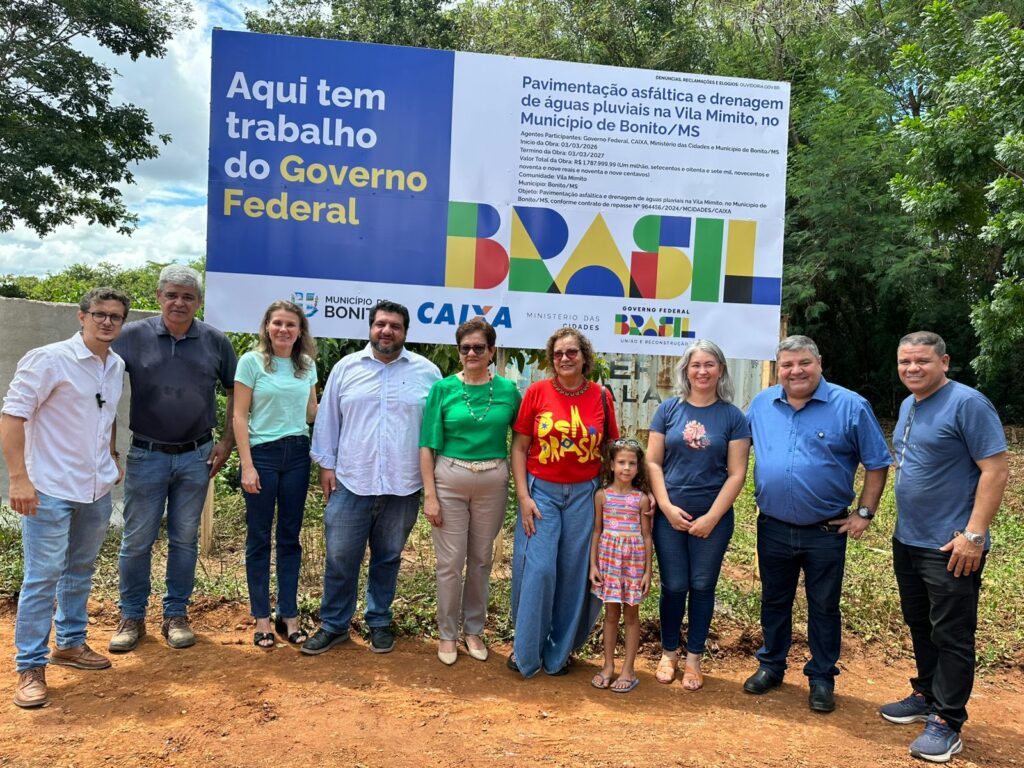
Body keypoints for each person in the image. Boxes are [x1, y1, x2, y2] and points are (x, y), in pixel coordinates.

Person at [879, 331, 1009, 763]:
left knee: (952, 632)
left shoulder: (968, 404)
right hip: (909, 538)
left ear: (945, 362)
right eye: (905, 362)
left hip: (952, 545)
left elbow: (995, 469)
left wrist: (974, 535)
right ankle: (927, 694)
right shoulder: (909, 404)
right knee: (921, 622)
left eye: (922, 362)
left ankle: (948, 721)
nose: (912, 369)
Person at [743, 335, 891, 713]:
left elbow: (877, 463)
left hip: (826, 530)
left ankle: (822, 677)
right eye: (787, 365)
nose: (796, 371)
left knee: (823, 606)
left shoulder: (851, 406)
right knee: (774, 601)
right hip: (773, 526)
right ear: (778, 369)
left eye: (803, 363)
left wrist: (864, 513)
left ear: (819, 363)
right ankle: (771, 666)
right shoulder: (761, 405)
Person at [2, 288, 129, 708]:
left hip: (94, 489)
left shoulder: (116, 365)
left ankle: (71, 643)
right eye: (99, 314)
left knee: (80, 568)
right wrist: (18, 478)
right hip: (49, 488)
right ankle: (30, 666)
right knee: (43, 576)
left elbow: (105, 416)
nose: (107, 322)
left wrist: (110, 457)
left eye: (115, 316)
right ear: (81, 316)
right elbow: (13, 416)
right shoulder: (48, 359)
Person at [109, 265, 237, 653]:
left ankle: (176, 614)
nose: (179, 302)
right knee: (136, 541)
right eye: (172, 295)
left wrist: (227, 442)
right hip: (147, 454)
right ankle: (131, 616)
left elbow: (236, 392)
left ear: (199, 302)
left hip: (197, 456)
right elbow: (101, 387)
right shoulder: (130, 337)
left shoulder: (216, 342)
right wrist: (109, 448)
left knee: (184, 541)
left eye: (188, 296)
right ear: (159, 296)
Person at [304, 300, 441, 655]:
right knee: (339, 558)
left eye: (395, 326)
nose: (387, 331)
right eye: (381, 324)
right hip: (352, 479)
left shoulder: (427, 373)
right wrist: (326, 467)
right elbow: (328, 421)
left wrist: (432, 483)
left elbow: (436, 430)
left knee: (388, 557)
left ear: (405, 332)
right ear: (370, 327)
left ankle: (378, 620)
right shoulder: (346, 368)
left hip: (404, 484)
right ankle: (334, 624)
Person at [509, 326, 619, 678]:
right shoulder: (537, 393)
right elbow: (519, 447)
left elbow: (611, 450)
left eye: (572, 352)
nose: (565, 358)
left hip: (585, 494)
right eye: (558, 353)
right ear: (550, 359)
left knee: (575, 573)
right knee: (539, 570)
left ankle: (560, 652)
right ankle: (525, 651)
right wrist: (524, 497)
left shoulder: (601, 396)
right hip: (542, 492)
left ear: (585, 357)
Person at [646, 340, 751, 691]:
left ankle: (693, 659)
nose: (702, 371)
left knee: (703, 586)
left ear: (720, 369)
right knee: (674, 586)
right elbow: (653, 462)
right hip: (670, 514)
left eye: (709, 364)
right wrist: (665, 507)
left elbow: (737, 474)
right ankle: (669, 653)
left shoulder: (733, 417)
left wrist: (711, 517)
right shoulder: (668, 410)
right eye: (696, 365)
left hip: (714, 516)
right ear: (685, 371)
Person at [419, 319, 521, 665]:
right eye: (466, 348)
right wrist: (429, 495)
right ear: (458, 351)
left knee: (481, 560)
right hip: (450, 477)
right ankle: (447, 634)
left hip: (492, 478)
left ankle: (473, 630)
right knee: (450, 563)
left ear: (491, 351)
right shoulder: (443, 389)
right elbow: (426, 445)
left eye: (480, 347)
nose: (472, 353)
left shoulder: (508, 391)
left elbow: (522, 440)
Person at [233, 300, 318, 650]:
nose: (284, 330)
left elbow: (312, 412)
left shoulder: (306, 365)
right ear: (267, 326)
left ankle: (289, 615)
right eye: (278, 323)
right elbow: (239, 416)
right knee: (258, 539)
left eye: (291, 325)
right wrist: (247, 465)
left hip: (297, 453)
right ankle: (262, 619)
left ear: (300, 331)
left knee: (289, 537)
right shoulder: (251, 362)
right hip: (262, 456)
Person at [588, 439, 652, 693]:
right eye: (621, 462)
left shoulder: (642, 499)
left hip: (633, 564)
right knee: (611, 614)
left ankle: (629, 669)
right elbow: (596, 531)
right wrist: (593, 565)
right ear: (612, 465)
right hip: (609, 563)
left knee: (632, 615)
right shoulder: (602, 496)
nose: (627, 468)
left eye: (632, 463)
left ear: (639, 468)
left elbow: (647, 536)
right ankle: (607, 666)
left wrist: (648, 570)